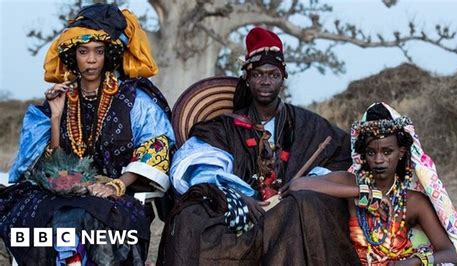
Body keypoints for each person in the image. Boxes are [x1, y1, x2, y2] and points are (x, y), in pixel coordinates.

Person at [158, 27, 359, 264]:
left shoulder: (307, 124)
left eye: (273, 74)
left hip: (291, 207)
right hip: (241, 208)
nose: (265, 81)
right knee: (190, 215)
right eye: (258, 74)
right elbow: (200, 167)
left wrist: (304, 184)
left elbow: (342, 159)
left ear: (283, 78)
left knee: (307, 205)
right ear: (247, 77)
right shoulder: (223, 126)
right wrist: (240, 196)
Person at [0, 3, 175, 265]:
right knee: (37, 215)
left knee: (81, 217)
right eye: (83, 52)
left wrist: (116, 184)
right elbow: (52, 165)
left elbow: (156, 148)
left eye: (98, 52)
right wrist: (57, 117)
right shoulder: (58, 101)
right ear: (74, 55)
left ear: (109, 55)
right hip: (63, 192)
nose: (91, 60)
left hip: (116, 195)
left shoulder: (134, 100)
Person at [280, 102, 457, 265]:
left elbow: (450, 253)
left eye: (387, 152)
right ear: (363, 155)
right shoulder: (349, 182)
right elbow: (297, 185)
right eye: (371, 152)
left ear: (401, 152)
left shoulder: (413, 202)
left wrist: (416, 261)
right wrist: (362, 192)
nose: (379, 160)